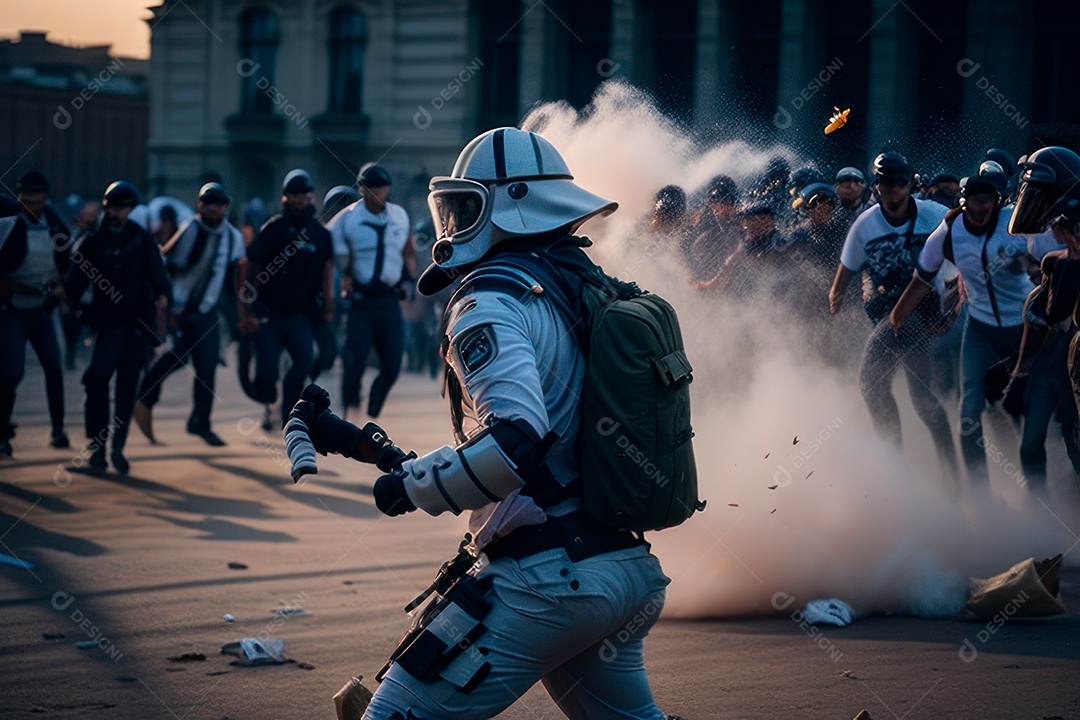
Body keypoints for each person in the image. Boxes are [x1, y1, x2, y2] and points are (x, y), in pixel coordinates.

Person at [291, 127, 676, 720]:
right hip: (620, 567)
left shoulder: (490, 300)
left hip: (550, 580)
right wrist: (417, 466)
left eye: (465, 206)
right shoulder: (578, 283)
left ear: (510, 205)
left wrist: (411, 487)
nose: (453, 223)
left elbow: (517, 441)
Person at [890, 161, 1048, 488]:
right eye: (974, 203)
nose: (981, 211)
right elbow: (924, 276)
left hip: (1023, 329)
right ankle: (980, 495)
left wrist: (1037, 269)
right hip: (980, 331)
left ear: (998, 202)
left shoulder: (1015, 224)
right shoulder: (951, 230)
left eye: (988, 204)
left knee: (1026, 410)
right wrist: (898, 314)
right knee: (968, 413)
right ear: (963, 203)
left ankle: (1039, 489)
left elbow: (1057, 253)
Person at [829, 152, 957, 473]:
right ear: (876, 187)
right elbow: (848, 266)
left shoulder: (935, 214)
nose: (894, 190)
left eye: (900, 184)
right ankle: (934, 468)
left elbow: (962, 244)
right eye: (886, 184)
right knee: (921, 399)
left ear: (910, 185)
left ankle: (897, 465)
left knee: (871, 382)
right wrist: (838, 294)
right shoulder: (866, 223)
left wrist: (955, 298)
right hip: (888, 312)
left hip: (924, 313)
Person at [64, 181, 170, 474]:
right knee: (96, 380)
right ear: (106, 207)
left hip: (137, 328)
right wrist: (69, 301)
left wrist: (162, 301)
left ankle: (118, 448)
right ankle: (97, 449)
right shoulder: (93, 241)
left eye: (124, 208)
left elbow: (159, 279)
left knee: (126, 389)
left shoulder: (141, 239)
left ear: (130, 209)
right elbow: (74, 286)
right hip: (107, 326)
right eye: (114, 207)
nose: (118, 213)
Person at [133, 183, 245, 446]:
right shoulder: (190, 230)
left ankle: (200, 422)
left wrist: (238, 313)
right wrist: (167, 305)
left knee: (207, 368)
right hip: (180, 309)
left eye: (218, 202)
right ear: (200, 205)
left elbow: (235, 278)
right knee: (178, 356)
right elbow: (166, 265)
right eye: (208, 202)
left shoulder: (232, 237)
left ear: (225, 206)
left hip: (207, 310)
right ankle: (145, 396)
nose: (213, 207)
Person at [238, 169, 334, 427]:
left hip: (300, 315)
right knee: (266, 375)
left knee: (302, 365)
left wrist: (327, 303)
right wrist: (247, 307)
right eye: (294, 194)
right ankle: (268, 401)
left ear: (310, 196)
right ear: (285, 197)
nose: (299, 198)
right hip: (269, 311)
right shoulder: (274, 228)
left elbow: (326, 269)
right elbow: (251, 263)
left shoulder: (320, 234)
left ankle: (287, 415)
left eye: (303, 194)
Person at [331, 164, 413, 420]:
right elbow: (331, 251)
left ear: (387, 189)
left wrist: (410, 280)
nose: (376, 192)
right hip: (361, 300)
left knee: (392, 364)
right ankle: (350, 410)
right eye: (370, 187)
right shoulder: (346, 219)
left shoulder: (398, 215)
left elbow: (407, 250)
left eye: (380, 187)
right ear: (361, 190)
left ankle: (375, 402)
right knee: (353, 362)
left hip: (388, 299)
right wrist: (344, 275)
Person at [0, 171, 72, 458]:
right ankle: (2, 432)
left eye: (36, 195)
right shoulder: (6, 225)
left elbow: (65, 266)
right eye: (25, 195)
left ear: (45, 197)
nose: (31, 200)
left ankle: (58, 430)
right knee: (11, 373)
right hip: (12, 310)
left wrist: (61, 288)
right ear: (19, 197)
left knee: (54, 369)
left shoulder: (55, 227)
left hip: (41, 312)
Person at [684, 174, 741, 282]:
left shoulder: (742, 218)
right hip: (708, 265)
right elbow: (688, 244)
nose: (720, 208)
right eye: (715, 203)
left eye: (727, 203)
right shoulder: (704, 220)